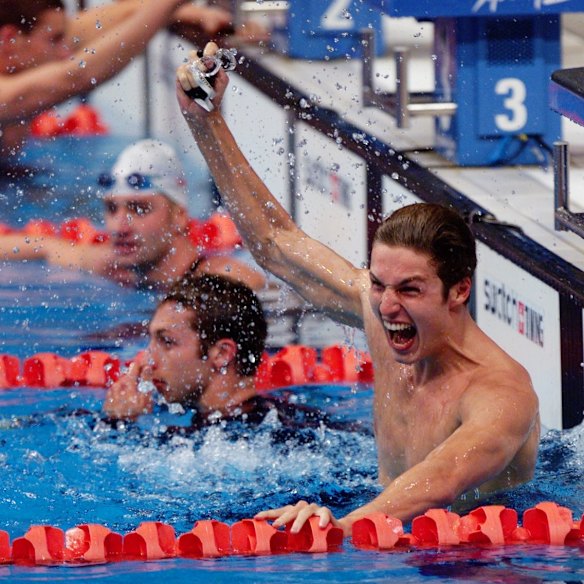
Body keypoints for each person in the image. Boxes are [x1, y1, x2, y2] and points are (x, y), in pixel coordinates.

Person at [174, 44, 541, 535]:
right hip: (381, 521)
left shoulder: (501, 393)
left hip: (473, 554)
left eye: (410, 290)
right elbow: (276, 244)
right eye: (378, 283)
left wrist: (343, 528)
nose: (387, 307)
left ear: (458, 291)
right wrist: (205, 120)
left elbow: (444, 479)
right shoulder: (386, 318)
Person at [0, 0, 265, 159]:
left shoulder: (27, 52)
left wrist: (185, 12)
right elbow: (76, 76)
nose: (66, 49)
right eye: (55, 39)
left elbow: (96, 22)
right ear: (9, 39)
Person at [0, 138, 265, 291]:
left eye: (140, 209)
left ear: (179, 217)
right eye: (112, 209)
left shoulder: (225, 281)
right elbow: (44, 247)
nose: (119, 227)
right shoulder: (111, 266)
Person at [102, 273, 336, 434]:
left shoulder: (205, 446)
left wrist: (119, 423)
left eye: (167, 342)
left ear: (222, 354)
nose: (146, 360)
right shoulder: (302, 419)